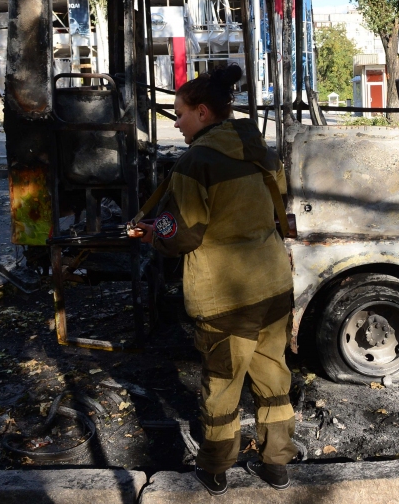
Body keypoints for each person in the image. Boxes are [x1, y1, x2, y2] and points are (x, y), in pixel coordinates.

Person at [128, 65, 296, 496]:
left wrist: (153, 234)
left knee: (222, 387)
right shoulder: (257, 147)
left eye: (179, 114)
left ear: (203, 113)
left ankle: (216, 468)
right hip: (274, 285)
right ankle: (277, 463)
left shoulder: (195, 161)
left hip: (226, 297)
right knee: (273, 376)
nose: (177, 124)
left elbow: (184, 234)